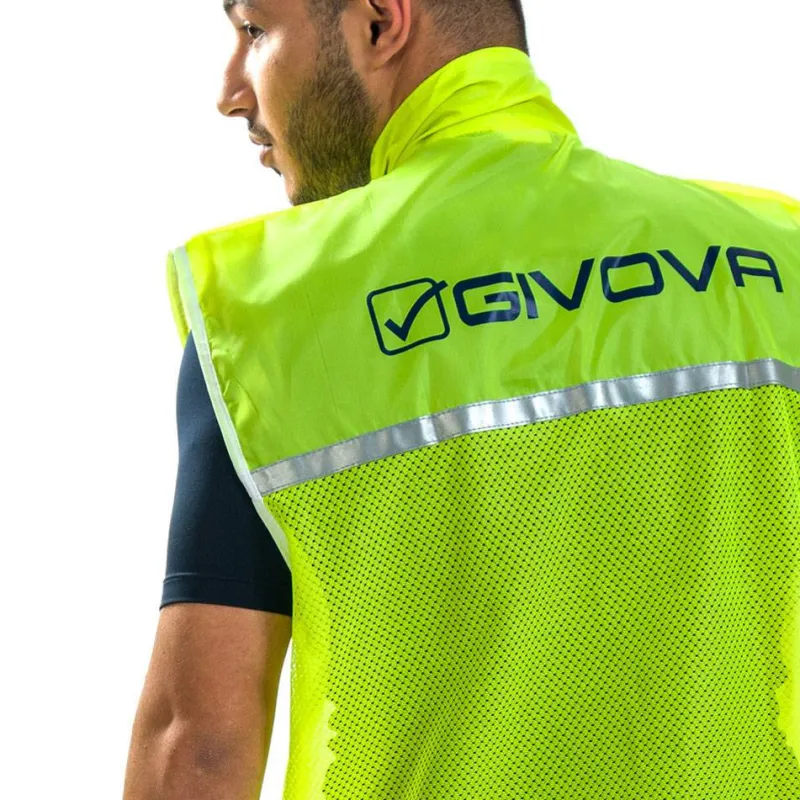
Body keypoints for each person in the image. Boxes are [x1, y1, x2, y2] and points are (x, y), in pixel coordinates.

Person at [123, 0, 800, 798]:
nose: (231, 91)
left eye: (254, 30)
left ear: (379, 23)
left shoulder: (268, 311)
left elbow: (200, 746)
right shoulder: (778, 261)